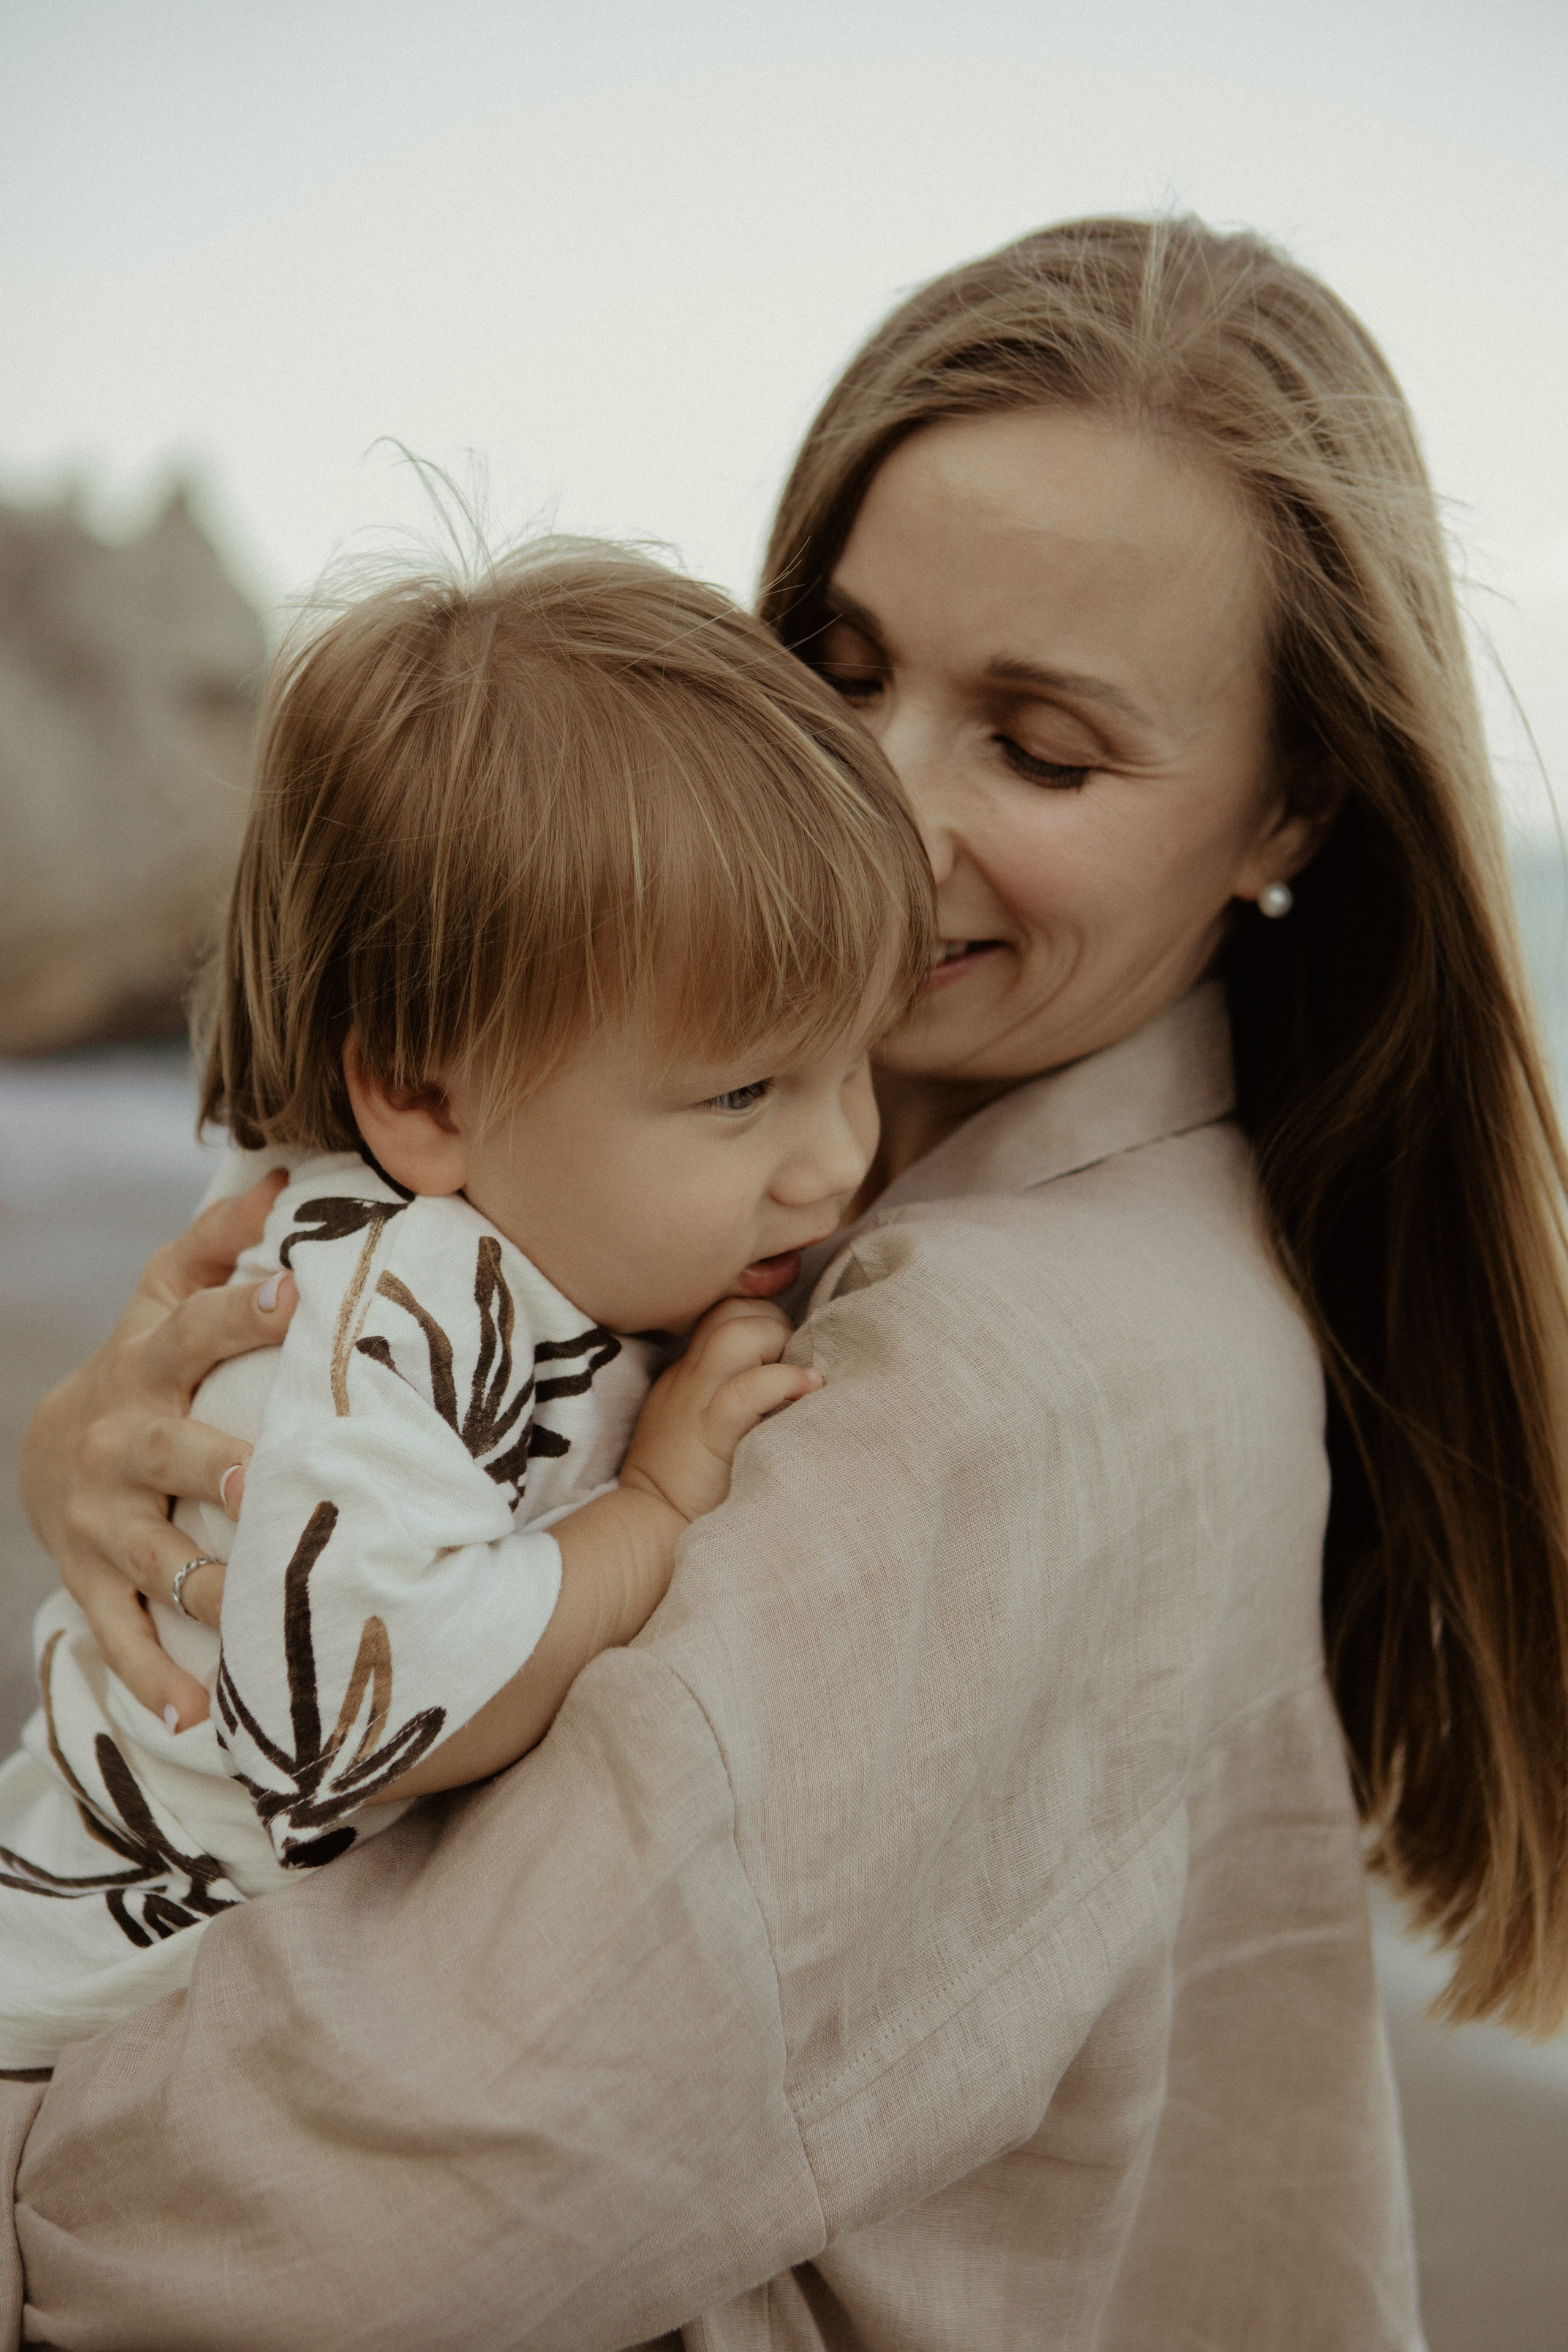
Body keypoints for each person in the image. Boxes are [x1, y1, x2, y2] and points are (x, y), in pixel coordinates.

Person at [7, 214, 1568, 2348]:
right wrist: (127, 1466)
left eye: (1043, 747)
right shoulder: (750, 1205)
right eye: (838, 667)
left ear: (1290, 803)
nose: (877, 794)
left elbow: (370, 2215)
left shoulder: (1019, 1373)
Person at [0, 541, 929, 2070]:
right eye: (746, 1091)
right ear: (427, 1093)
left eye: (856, 1066)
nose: (836, 1161)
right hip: (64, 2033)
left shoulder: (532, 1231)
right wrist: (655, 1507)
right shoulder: (373, 1314)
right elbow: (377, 1696)